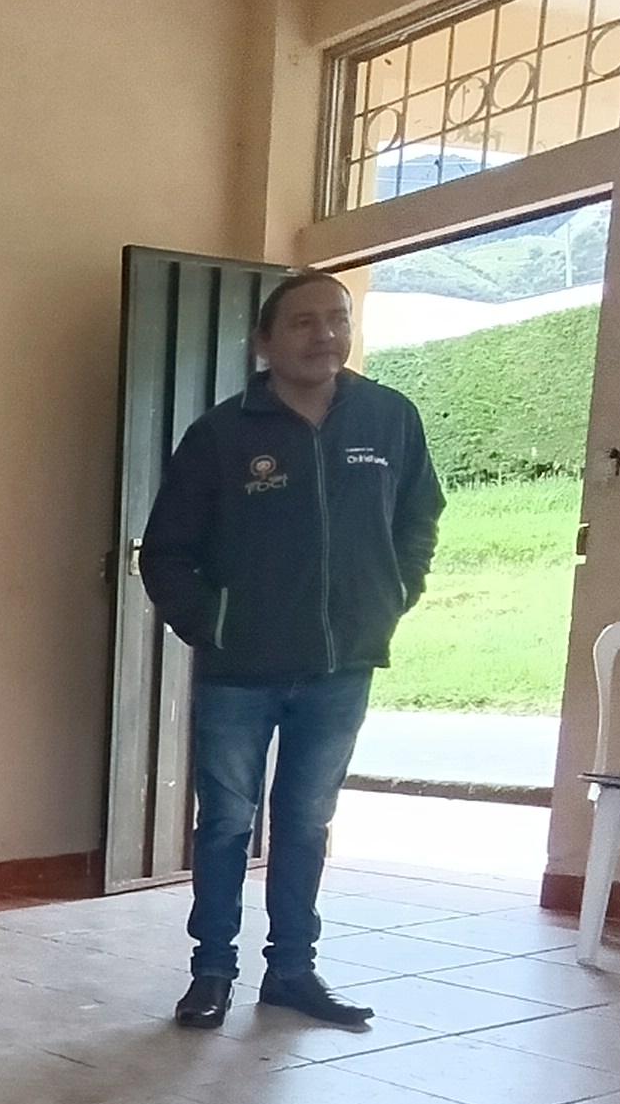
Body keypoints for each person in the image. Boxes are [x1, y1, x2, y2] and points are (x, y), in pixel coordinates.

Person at [137, 270, 441, 1032]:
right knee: (226, 822)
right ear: (264, 341)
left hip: (344, 666)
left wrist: (392, 595)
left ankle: (293, 972)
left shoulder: (390, 418)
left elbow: (419, 518)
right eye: (303, 322)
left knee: (306, 822)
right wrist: (216, 624)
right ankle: (212, 972)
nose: (325, 335)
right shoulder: (221, 434)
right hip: (239, 671)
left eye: (337, 319)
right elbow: (166, 552)